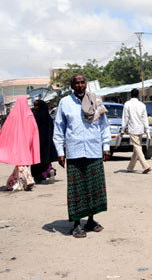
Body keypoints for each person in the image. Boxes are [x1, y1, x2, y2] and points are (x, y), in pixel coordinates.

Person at [53, 73, 111, 238]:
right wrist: (60, 152)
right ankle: (77, 223)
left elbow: (104, 126)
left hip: (93, 151)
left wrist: (106, 146)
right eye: (76, 83)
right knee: (77, 189)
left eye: (82, 82)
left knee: (94, 188)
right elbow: (59, 129)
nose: (80, 85)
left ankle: (91, 221)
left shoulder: (95, 101)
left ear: (86, 84)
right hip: (74, 152)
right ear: (72, 85)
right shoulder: (65, 103)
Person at [0, 96, 41, 191]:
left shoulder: (14, 115)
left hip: (17, 142)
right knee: (22, 161)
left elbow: (7, 129)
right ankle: (25, 180)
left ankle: (16, 182)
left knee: (20, 161)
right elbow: (34, 129)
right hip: (26, 142)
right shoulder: (29, 114)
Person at [122, 88, 152, 174]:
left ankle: (146, 166)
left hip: (133, 129)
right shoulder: (142, 105)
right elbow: (145, 119)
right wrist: (147, 130)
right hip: (140, 129)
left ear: (130, 95)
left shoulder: (127, 104)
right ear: (138, 95)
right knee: (136, 148)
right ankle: (130, 167)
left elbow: (125, 118)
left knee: (137, 148)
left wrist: (122, 130)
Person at [31, 100, 59, 184]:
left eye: (36, 106)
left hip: (37, 143)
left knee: (36, 161)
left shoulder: (34, 117)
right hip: (47, 143)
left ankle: (38, 177)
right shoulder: (48, 118)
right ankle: (50, 171)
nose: (35, 107)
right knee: (46, 159)